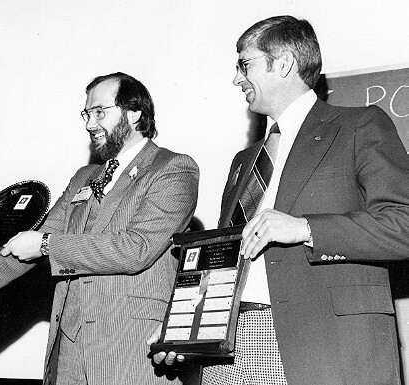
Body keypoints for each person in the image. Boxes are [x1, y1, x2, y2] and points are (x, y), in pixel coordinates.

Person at [151, 15, 409, 385]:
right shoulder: (245, 161)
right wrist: (183, 329)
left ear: (284, 63)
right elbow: (222, 261)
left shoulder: (359, 126)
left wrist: (305, 228)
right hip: (230, 347)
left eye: (245, 64)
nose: (236, 78)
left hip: (319, 346)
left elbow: (404, 222)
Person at [0, 72, 199, 384]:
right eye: (87, 114)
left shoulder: (172, 168)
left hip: (129, 344)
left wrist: (46, 244)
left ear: (135, 113)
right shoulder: (84, 177)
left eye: (100, 112)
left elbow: (135, 249)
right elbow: (35, 238)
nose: (89, 124)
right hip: (70, 348)